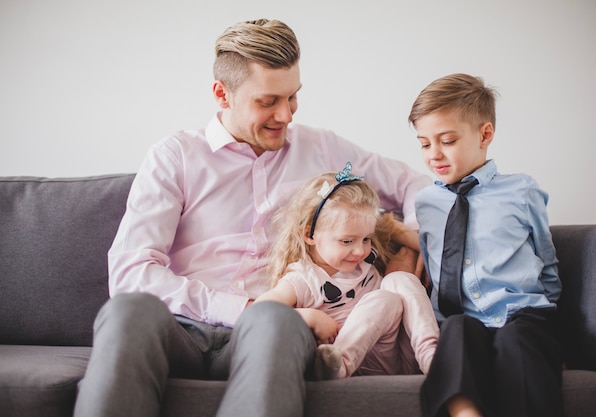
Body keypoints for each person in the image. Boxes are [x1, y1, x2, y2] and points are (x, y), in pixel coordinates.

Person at [73, 18, 433, 417]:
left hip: (275, 329)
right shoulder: (175, 156)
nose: (286, 115)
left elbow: (416, 186)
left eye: (293, 97)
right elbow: (130, 273)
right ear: (222, 95)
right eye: (268, 101)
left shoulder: (321, 148)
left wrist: (406, 243)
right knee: (129, 310)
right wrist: (243, 308)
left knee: (275, 321)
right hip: (182, 328)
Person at [408, 73, 563, 417]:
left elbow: (547, 262)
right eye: (424, 143)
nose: (434, 154)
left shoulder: (521, 190)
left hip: (520, 311)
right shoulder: (426, 203)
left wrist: (549, 319)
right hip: (460, 317)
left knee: (518, 341)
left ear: (485, 134)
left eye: (446, 140)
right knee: (457, 332)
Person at [255, 163, 439, 380]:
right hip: (365, 362)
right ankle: (339, 363)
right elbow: (259, 312)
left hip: (406, 352)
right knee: (384, 299)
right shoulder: (303, 279)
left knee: (398, 279)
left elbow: (425, 243)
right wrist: (306, 316)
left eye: (366, 239)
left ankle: (433, 356)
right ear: (310, 235)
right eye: (347, 241)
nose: (360, 250)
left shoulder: (366, 258)